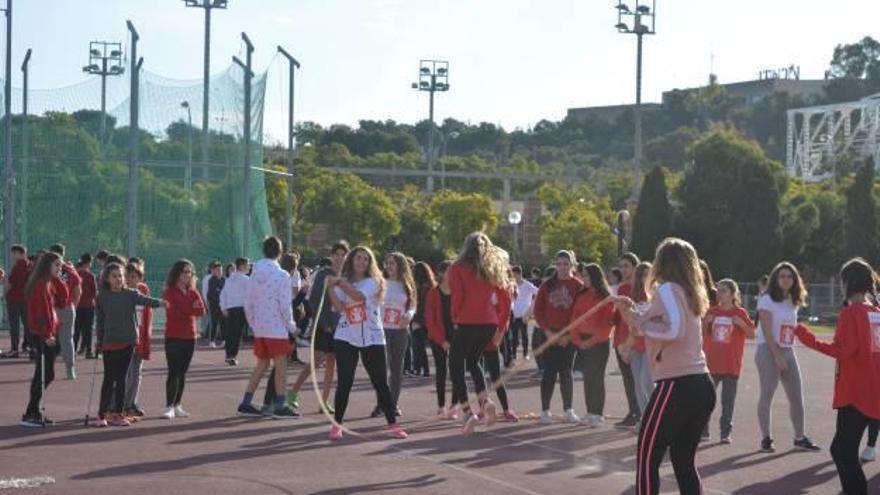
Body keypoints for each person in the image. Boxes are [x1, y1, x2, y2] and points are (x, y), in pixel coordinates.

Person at [614, 238, 715, 495]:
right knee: (683, 461)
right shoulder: (690, 293)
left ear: (663, 262)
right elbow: (660, 319)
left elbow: (673, 329)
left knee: (648, 457)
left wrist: (641, 324)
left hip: (676, 384)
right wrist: (635, 315)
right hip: (700, 384)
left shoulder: (668, 289)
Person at [794, 258, 880, 494]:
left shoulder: (851, 313)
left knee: (843, 452)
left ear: (847, 283)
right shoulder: (876, 313)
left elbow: (841, 350)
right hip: (873, 390)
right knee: (841, 449)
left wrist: (806, 336)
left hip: (855, 393)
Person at [327, 246, 407, 440]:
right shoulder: (341, 283)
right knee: (345, 382)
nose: (362, 262)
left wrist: (338, 282)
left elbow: (358, 297)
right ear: (351, 261)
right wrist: (330, 287)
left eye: (366, 259)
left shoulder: (375, 281)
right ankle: (337, 425)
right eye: (358, 258)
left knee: (380, 382)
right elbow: (338, 308)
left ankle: (393, 423)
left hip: (372, 337)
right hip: (346, 336)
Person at [447, 232, 511, 435]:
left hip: (467, 320)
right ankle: (485, 402)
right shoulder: (491, 268)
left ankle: (468, 412)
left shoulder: (457, 268)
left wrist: (455, 317)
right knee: (474, 361)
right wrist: (501, 327)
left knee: (455, 365)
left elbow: (458, 295)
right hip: (489, 322)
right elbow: (506, 300)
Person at [755, 261, 820, 453]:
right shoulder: (767, 299)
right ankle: (766, 438)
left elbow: (789, 327)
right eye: (782, 276)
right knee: (767, 394)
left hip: (788, 349)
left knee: (796, 397)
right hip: (768, 350)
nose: (786, 279)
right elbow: (767, 332)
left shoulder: (793, 299)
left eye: (789, 276)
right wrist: (777, 356)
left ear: (795, 280)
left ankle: (800, 437)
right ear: (775, 278)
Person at [236, 237, 299, 419]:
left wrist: (254, 324)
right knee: (281, 366)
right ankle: (280, 405)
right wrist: (292, 326)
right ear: (280, 253)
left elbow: (248, 301)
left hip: (261, 327)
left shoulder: (254, 273)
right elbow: (285, 305)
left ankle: (246, 402)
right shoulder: (282, 275)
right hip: (276, 328)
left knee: (262, 364)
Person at [94, 262, 164, 427]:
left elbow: (146, 300)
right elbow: (100, 320)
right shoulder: (102, 296)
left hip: (128, 342)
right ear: (107, 279)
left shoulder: (131, 293)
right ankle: (102, 414)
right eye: (114, 276)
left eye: (120, 276)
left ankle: (119, 413)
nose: (118, 279)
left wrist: (161, 303)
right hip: (110, 342)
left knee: (121, 379)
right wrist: (99, 341)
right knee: (108, 379)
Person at [288, 242, 348, 413]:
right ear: (332, 256)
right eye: (336, 254)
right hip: (324, 325)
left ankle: (324, 401)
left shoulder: (346, 276)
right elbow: (313, 300)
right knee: (315, 362)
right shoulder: (324, 274)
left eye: (343, 254)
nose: (339, 257)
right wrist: (323, 322)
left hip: (340, 327)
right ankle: (293, 393)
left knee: (331, 363)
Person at [701, 279, 755, 443]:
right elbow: (703, 334)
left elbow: (752, 334)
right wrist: (706, 323)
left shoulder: (739, 313)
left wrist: (742, 325)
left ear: (733, 294)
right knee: (706, 399)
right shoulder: (712, 311)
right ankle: (704, 430)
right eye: (718, 290)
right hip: (712, 363)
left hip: (731, 364)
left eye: (724, 291)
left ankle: (725, 432)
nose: (720, 293)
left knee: (728, 400)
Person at [534, 250, 583, 425]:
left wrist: (569, 335)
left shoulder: (578, 285)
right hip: (548, 334)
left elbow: (581, 313)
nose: (562, 267)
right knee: (548, 372)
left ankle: (568, 410)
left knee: (566, 372)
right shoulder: (547, 285)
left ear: (572, 265)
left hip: (568, 336)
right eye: (559, 264)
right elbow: (538, 311)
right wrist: (547, 332)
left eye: (566, 264)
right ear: (555, 264)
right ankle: (545, 410)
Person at [20, 252, 64, 427]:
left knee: (45, 373)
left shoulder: (49, 283)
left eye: (60, 266)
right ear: (47, 266)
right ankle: (32, 411)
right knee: (44, 373)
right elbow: (39, 313)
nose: (60, 269)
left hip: (48, 333)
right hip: (41, 334)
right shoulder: (40, 285)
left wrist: (59, 279)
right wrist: (46, 335)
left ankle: (34, 410)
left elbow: (63, 300)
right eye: (57, 265)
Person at [570, 262, 615, 428]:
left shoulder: (605, 296)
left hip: (599, 343)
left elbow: (607, 324)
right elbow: (574, 318)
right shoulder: (581, 295)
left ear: (595, 277)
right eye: (583, 275)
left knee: (597, 378)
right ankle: (590, 412)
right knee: (588, 378)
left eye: (587, 275)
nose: (583, 279)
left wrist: (591, 341)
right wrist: (577, 340)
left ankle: (597, 413)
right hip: (582, 341)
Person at [371, 252, 416, 418]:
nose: (389, 266)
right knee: (381, 369)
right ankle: (381, 404)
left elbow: (412, 305)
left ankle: (393, 404)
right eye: (387, 263)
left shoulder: (407, 284)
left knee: (397, 369)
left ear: (400, 265)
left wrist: (409, 316)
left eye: (393, 263)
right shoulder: (380, 283)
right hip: (381, 330)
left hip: (400, 331)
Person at [161, 259, 207, 419]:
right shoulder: (169, 291)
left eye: (190, 272)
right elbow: (173, 312)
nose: (188, 275)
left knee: (182, 372)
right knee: (173, 371)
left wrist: (185, 309)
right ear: (177, 273)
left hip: (190, 337)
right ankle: (169, 406)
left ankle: (178, 404)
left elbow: (201, 310)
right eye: (185, 271)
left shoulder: (193, 291)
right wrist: (189, 308)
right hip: (173, 336)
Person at [619, 261, 654, 425]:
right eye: (643, 275)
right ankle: (645, 419)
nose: (646, 278)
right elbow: (628, 323)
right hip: (634, 344)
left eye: (649, 274)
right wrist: (626, 346)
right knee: (637, 384)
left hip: (651, 345)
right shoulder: (632, 296)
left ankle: (656, 415)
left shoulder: (658, 296)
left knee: (646, 381)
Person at [123, 262, 157, 418]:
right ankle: (119, 404)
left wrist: (145, 338)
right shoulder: (121, 292)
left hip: (140, 338)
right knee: (125, 374)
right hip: (125, 339)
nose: (131, 279)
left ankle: (131, 403)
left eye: (134, 277)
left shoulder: (143, 290)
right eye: (128, 276)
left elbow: (147, 316)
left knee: (137, 373)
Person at [613, 252, 641, 428]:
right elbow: (617, 314)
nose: (623, 270)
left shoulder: (641, 288)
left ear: (635, 267)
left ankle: (640, 412)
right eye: (621, 266)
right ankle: (633, 411)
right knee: (627, 378)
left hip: (634, 338)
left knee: (638, 378)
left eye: (627, 266)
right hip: (620, 336)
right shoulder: (621, 288)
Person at [425, 261, 456, 418]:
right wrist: (442, 341)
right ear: (442, 273)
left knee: (457, 372)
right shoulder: (433, 293)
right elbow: (430, 321)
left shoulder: (458, 291)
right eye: (449, 271)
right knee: (441, 371)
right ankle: (441, 405)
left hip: (457, 337)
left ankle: (454, 405)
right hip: (438, 338)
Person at [48, 244, 82, 380]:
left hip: (51, 309)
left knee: (48, 338)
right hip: (68, 308)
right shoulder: (70, 270)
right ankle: (70, 368)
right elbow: (78, 290)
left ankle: (48, 368)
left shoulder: (47, 270)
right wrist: (74, 305)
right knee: (67, 339)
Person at [220, 257, 250, 366]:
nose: (249, 267)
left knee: (230, 333)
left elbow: (223, 294)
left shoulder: (229, 279)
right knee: (237, 334)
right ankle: (232, 356)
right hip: (241, 309)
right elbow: (250, 295)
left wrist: (223, 307)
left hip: (230, 309)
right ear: (242, 266)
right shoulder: (246, 279)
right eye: (247, 265)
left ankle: (229, 355)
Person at [6, 245, 32, 358]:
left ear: (20, 253)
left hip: (14, 299)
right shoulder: (30, 265)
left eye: (14, 253)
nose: (13, 256)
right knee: (28, 324)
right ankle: (33, 347)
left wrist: (4, 294)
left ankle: (14, 349)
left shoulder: (18, 267)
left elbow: (10, 284)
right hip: (26, 299)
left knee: (14, 325)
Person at [510, 265, 538, 361]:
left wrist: (531, 307)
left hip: (524, 314)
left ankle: (525, 354)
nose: (514, 278)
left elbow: (538, 292)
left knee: (524, 334)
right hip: (514, 313)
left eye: (515, 276)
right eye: (512, 276)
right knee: (513, 335)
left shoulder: (527, 285)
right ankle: (513, 355)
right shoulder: (512, 285)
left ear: (520, 274)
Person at [410, 262, 433, 378]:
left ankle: (420, 369)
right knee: (426, 346)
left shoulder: (416, 287)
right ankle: (422, 369)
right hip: (430, 319)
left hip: (419, 319)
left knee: (418, 346)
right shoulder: (431, 286)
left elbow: (417, 304)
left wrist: (416, 319)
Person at [74, 254, 98, 359]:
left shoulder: (76, 274)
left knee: (76, 329)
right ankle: (89, 351)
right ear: (89, 263)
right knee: (88, 329)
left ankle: (73, 350)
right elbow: (94, 291)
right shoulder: (90, 275)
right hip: (88, 306)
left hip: (77, 305)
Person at [206, 261, 225, 348]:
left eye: (220, 269)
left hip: (223, 305)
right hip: (214, 305)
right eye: (217, 270)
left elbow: (224, 291)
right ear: (213, 270)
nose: (219, 271)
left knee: (223, 323)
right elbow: (214, 292)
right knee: (214, 322)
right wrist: (220, 291)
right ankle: (212, 341)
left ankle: (224, 341)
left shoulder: (224, 279)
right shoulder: (211, 280)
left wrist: (220, 290)